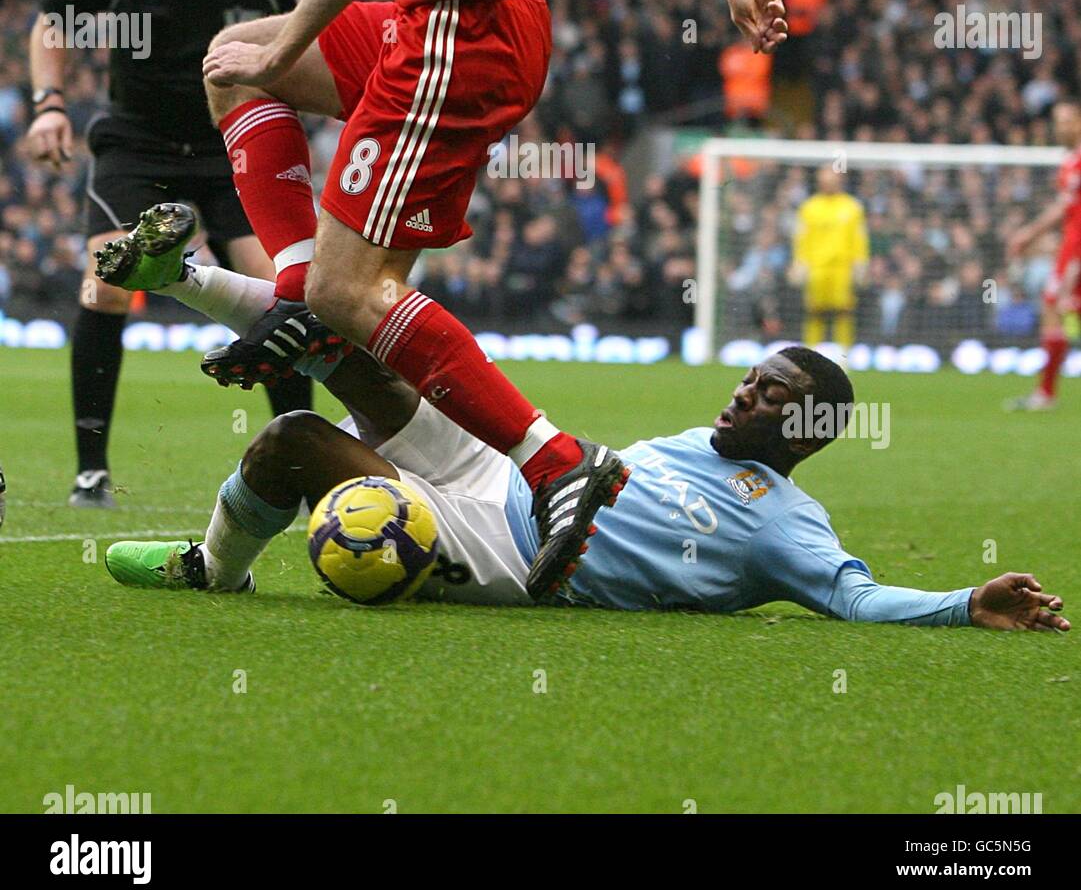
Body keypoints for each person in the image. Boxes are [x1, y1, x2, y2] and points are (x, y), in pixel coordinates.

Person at [194, 0, 787, 598]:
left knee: (352, 285)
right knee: (232, 64)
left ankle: (556, 462)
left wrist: (290, 37)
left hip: (454, 34)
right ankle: (303, 293)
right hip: (474, 26)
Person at [98, 221, 1067, 631]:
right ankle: (176, 273)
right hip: (509, 479)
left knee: (292, 440)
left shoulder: (783, 525)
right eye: (750, 378)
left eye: (771, 396)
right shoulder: (699, 444)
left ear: (809, 432)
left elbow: (856, 600)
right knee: (352, 349)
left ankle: (212, 571)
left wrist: (959, 601)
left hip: (509, 556)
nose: (743, 395)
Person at [26, 0, 313, 507]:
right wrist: (49, 104)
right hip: (137, 145)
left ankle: (301, 466)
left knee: (284, 298)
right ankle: (91, 470)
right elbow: (53, 21)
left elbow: (318, 34)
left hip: (233, 146)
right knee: (107, 284)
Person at [1004, 99, 1081, 411]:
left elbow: (1066, 210)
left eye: (1065, 121)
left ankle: (1046, 394)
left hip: (1076, 250)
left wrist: (1030, 233)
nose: (1059, 127)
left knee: (1055, 309)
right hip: (1070, 247)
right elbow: (1068, 210)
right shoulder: (1069, 162)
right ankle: (1046, 393)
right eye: (1056, 121)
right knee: (1055, 309)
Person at [789, 166, 869, 351]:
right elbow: (801, 237)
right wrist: (799, 262)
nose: (827, 184)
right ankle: (810, 355)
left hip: (842, 269)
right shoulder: (809, 207)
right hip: (817, 268)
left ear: (839, 181)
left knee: (844, 313)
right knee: (814, 313)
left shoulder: (851, 207)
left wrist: (861, 263)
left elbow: (859, 238)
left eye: (831, 181)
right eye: (824, 181)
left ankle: (843, 357)